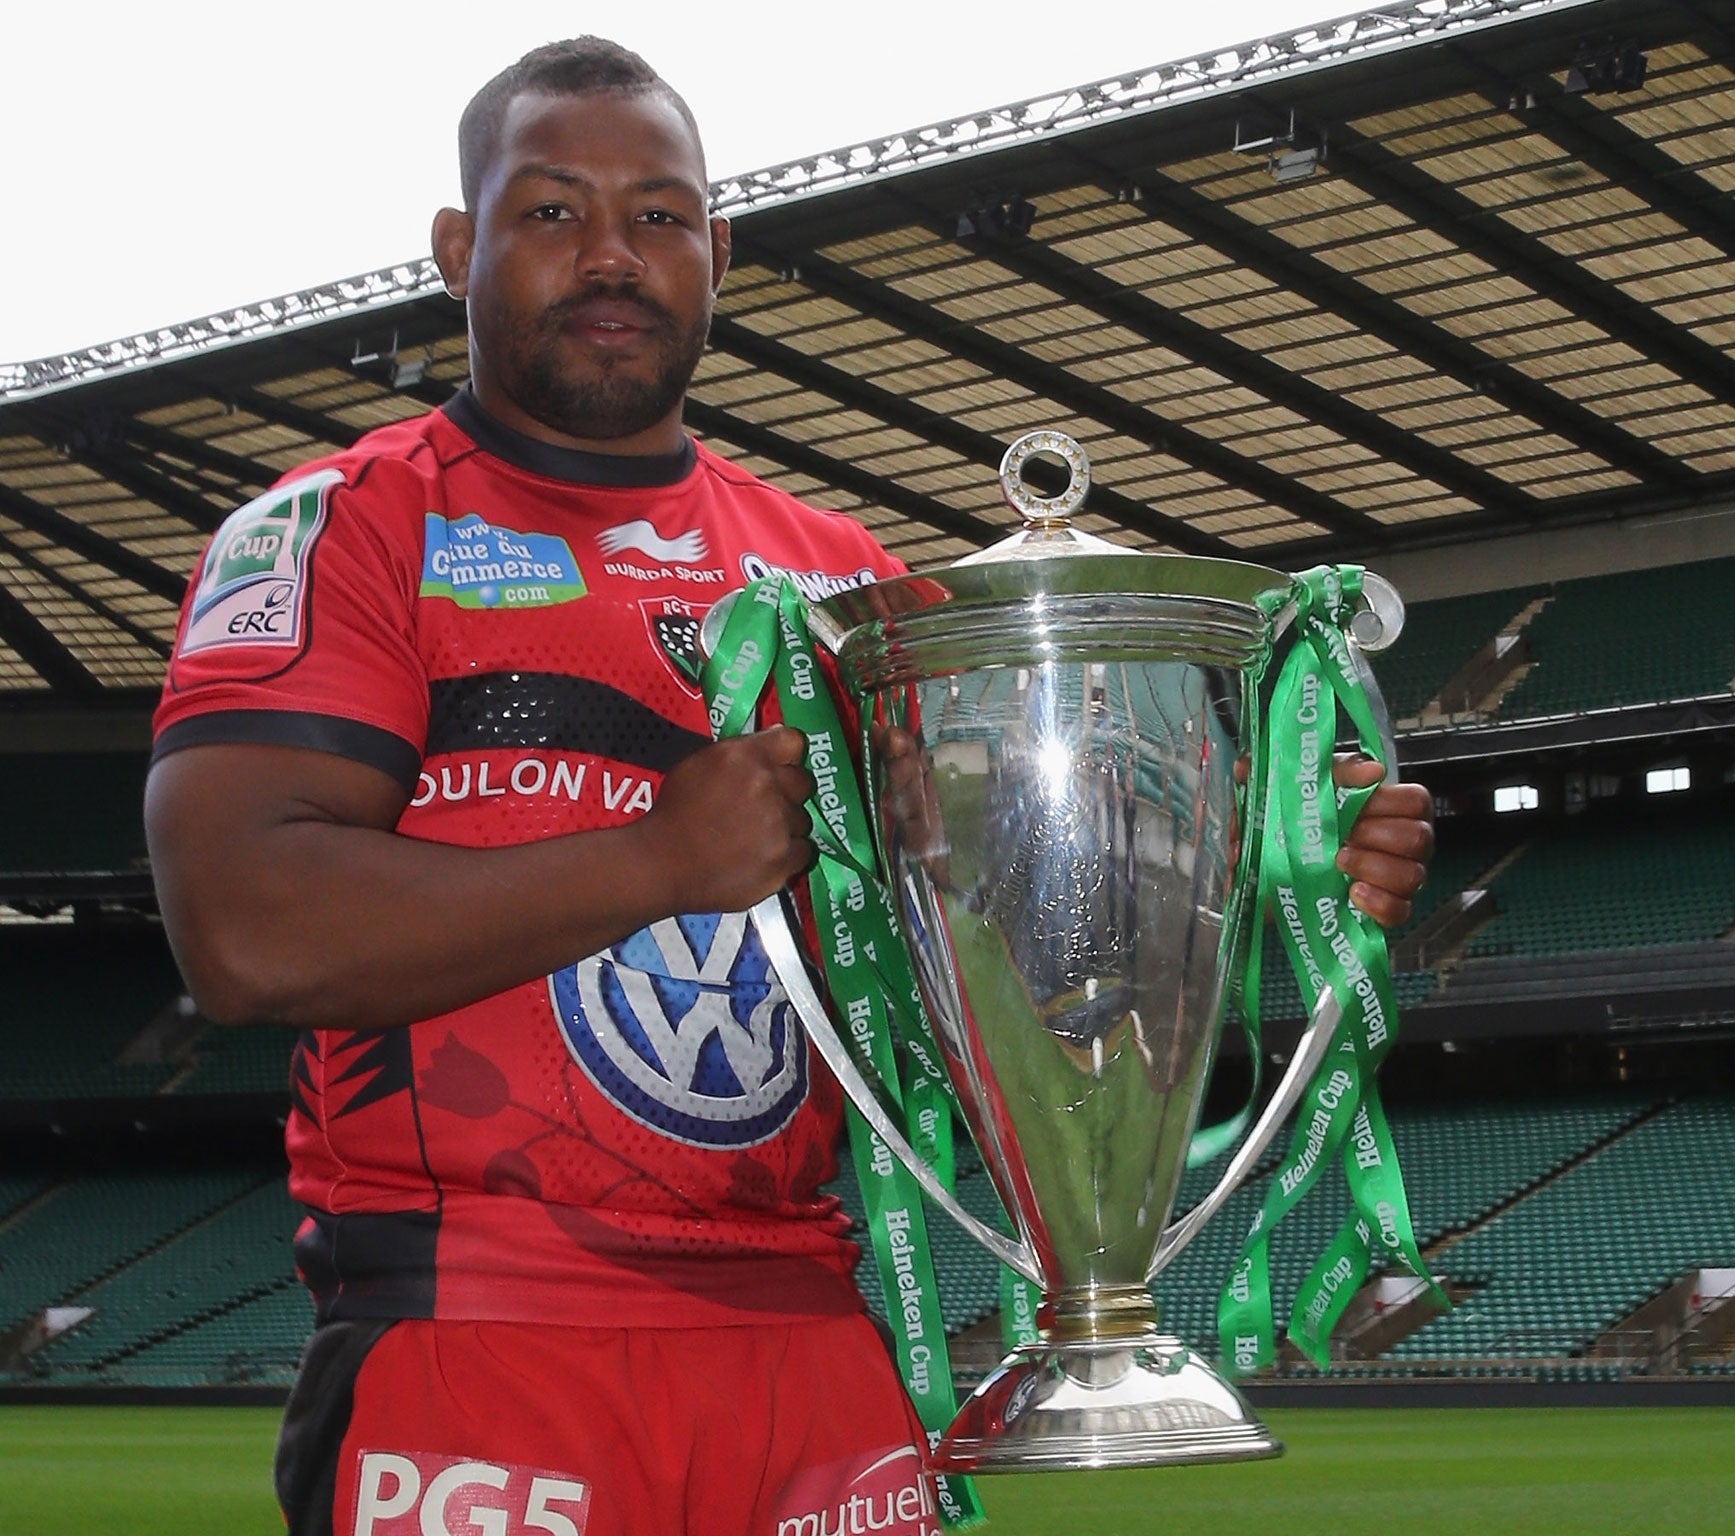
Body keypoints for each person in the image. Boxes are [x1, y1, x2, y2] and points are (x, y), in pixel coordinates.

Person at [144, 37, 1437, 1536]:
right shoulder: (345, 533)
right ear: (457, 248)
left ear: (720, 254)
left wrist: (1259, 880)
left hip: (813, 1338)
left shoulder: (846, 587)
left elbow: (997, 989)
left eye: (662, 216)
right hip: (482, 1332)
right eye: (552, 213)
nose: (612, 256)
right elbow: (245, 929)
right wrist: (657, 861)